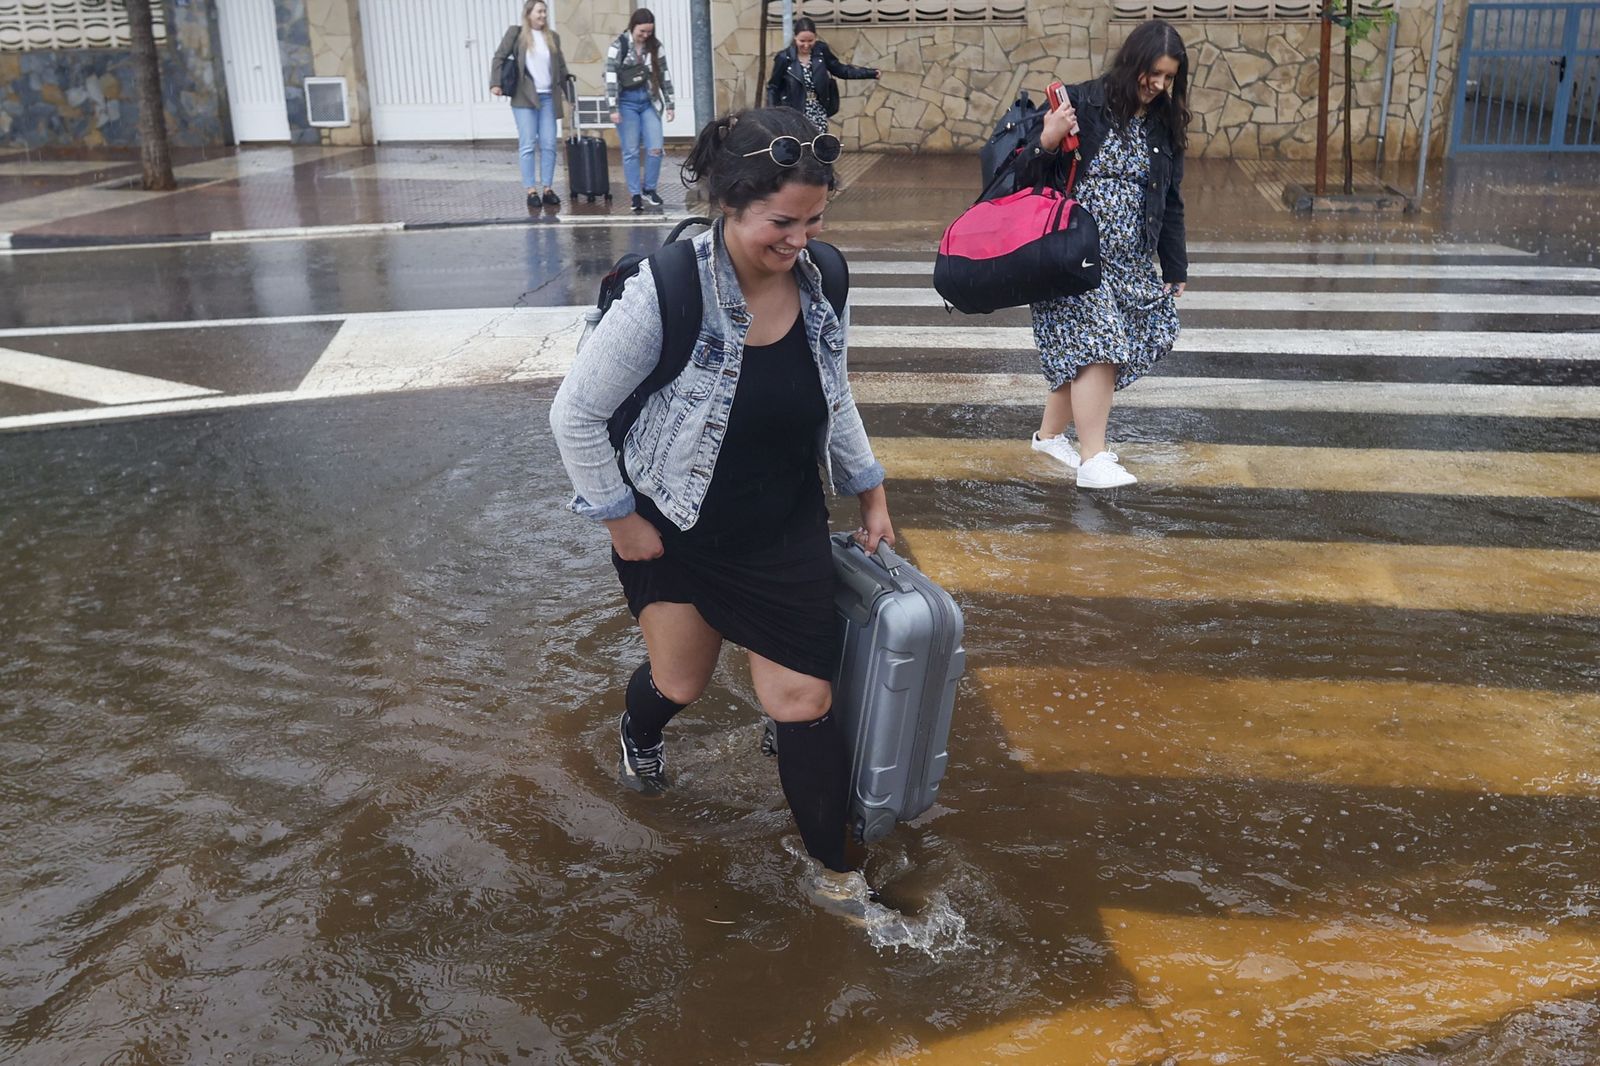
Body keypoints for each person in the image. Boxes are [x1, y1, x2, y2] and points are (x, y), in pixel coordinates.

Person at [549, 107, 894, 885]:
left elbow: (835, 392)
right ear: (731, 204)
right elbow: (574, 415)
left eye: (814, 219)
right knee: (681, 681)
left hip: (781, 524)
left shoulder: (824, 279)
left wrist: (869, 489)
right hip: (674, 526)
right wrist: (619, 519)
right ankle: (640, 735)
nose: (800, 241)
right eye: (782, 222)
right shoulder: (669, 290)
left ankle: (837, 879)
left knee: (801, 698)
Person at [1020, 19, 1190, 489]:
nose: (1159, 85)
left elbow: (1170, 199)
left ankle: (1049, 436)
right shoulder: (1079, 104)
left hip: (1130, 260)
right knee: (1100, 343)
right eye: (1153, 73)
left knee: (1130, 336)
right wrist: (1047, 139)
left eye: (1170, 77)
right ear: (1132, 63)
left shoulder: (1163, 123)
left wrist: (1175, 264)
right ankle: (1093, 458)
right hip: (1073, 253)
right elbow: (1022, 175)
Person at [491, 0, 569, 210]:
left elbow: (561, 67)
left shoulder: (553, 37)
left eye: (545, 11)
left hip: (548, 97)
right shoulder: (516, 34)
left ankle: (547, 189)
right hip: (524, 97)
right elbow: (499, 57)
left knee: (549, 143)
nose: (543, 15)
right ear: (528, 13)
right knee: (527, 144)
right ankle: (531, 190)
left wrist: (569, 94)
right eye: (539, 11)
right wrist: (495, 83)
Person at [606, 8, 676, 213]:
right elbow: (610, 77)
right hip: (626, 103)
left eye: (649, 32)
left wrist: (670, 104)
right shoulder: (618, 46)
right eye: (642, 31)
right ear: (633, 27)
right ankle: (635, 194)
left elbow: (664, 75)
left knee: (655, 148)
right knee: (631, 151)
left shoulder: (656, 47)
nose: (645, 35)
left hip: (648, 102)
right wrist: (613, 107)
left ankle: (649, 189)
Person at [764, 16, 880, 135]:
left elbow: (840, 70)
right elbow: (773, 87)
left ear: (815, 37)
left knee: (819, 142)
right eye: (802, 41)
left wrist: (870, 73)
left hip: (817, 109)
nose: (806, 45)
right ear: (795, 38)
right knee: (799, 143)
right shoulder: (784, 58)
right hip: (793, 112)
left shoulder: (821, 51)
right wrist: (772, 114)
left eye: (810, 41)